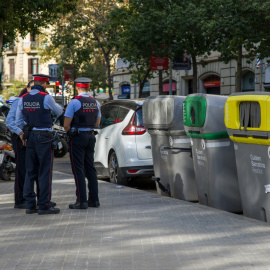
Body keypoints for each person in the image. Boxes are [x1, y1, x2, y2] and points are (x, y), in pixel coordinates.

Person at [16, 74, 63, 215]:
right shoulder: (45, 97)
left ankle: (30, 205)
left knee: (30, 171)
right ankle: (44, 205)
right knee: (44, 171)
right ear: (44, 84)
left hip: (30, 137)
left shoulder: (23, 98)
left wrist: (27, 130)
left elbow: (18, 121)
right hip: (44, 137)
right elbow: (59, 111)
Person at [64, 77, 101, 209]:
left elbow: (66, 124)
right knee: (90, 168)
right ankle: (94, 200)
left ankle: (81, 201)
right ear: (88, 87)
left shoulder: (74, 102)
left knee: (78, 168)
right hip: (91, 136)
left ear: (77, 87)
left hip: (78, 137)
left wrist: (69, 133)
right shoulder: (95, 102)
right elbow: (97, 123)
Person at [6, 80, 34, 208]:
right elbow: (10, 122)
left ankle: (29, 197)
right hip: (19, 138)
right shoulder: (19, 101)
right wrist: (21, 133)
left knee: (31, 169)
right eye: (32, 87)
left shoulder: (37, 101)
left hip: (32, 138)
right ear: (27, 88)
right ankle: (20, 199)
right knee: (22, 169)